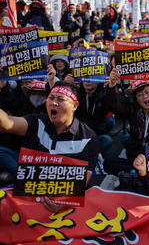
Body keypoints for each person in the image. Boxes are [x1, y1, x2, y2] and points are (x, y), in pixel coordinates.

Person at [0, 80, 100, 212]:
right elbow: (7, 124)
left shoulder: (88, 138)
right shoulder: (38, 121)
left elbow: (82, 180)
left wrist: (63, 203)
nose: (54, 102)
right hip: (36, 192)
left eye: (61, 99)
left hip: (67, 200)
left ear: (74, 105)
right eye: (51, 98)